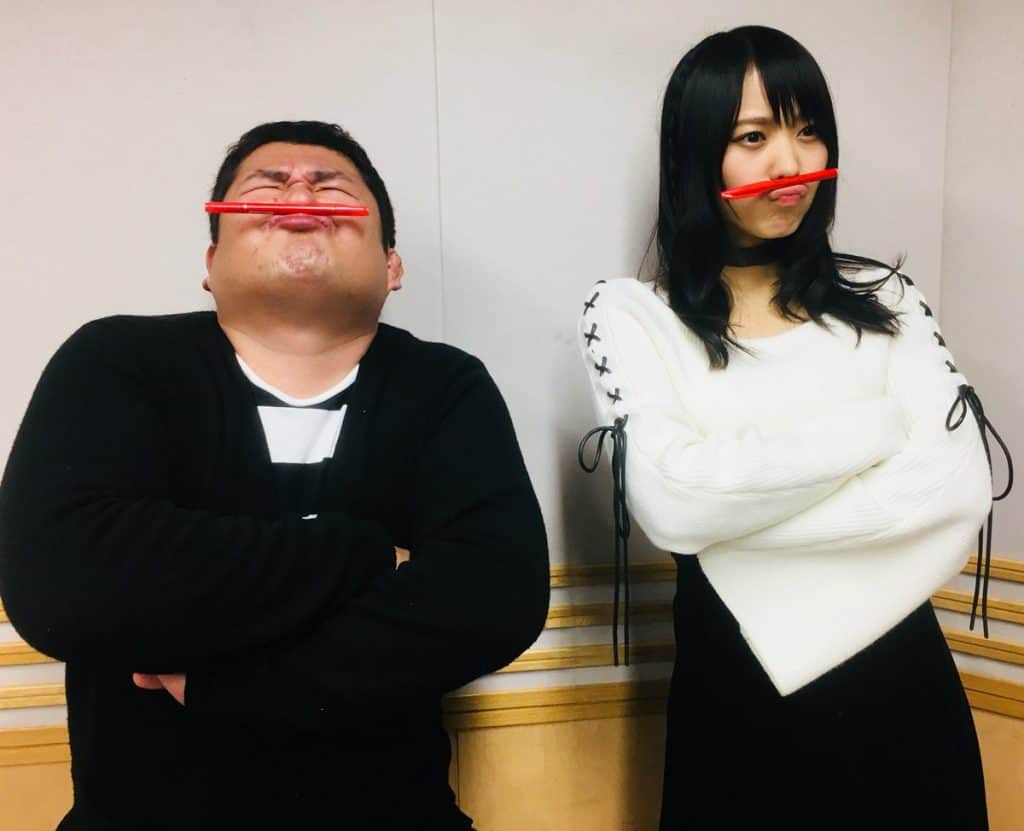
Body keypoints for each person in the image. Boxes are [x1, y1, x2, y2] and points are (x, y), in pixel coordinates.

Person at [0, 120, 549, 830]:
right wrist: (368, 557)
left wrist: (227, 686)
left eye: (332, 189)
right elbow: (61, 581)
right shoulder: (114, 360)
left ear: (392, 265)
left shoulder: (445, 386)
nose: (299, 193)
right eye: (266, 187)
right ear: (210, 261)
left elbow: (495, 599)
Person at [577, 26, 1010, 830]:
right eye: (754, 137)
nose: (791, 162)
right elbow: (674, 504)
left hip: (905, 699)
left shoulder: (886, 298)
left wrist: (740, 518)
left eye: (809, 130)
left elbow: (956, 488)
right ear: (697, 153)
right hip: (736, 705)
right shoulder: (633, 316)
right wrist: (875, 430)